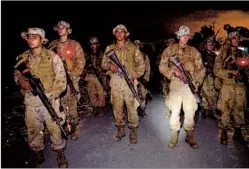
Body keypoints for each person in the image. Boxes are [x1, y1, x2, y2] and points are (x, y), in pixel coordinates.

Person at [14, 27, 68, 167]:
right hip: (31, 99)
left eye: (34, 37)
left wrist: (55, 94)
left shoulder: (52, 56)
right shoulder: (23, 57)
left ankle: (60, 152)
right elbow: (17, 74)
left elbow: (61, 78)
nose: (31, 40)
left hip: (49, 97)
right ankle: (37, 153)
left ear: (42, 40)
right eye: (29, 37)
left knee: (54, 127)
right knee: (32, 128)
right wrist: (22, 81)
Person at [159, 26, 206, 149]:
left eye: (187, 35)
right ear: (178, 36)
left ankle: (190, 135)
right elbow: (162, 66)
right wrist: (173, 72)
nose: (185, 37)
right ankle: (174, 134)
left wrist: (196, 82)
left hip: (190, 85)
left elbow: (201, 69)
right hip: (175, 85)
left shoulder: (194, 51)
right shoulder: (169, 50)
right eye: (182, 35)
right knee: (175, 111)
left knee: (190, 111)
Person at [102, 24, 145, 144]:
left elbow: (142, 65)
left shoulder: (133, 48)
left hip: (129, 82)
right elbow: (103, 63)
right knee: (117, 108)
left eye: (122, 32)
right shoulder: (109, 48)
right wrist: (110, 66)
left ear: (126, 34)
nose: (119, 34)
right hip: (115, 82)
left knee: (132, 108)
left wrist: (134, 75)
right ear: (114, 34)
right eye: (117, 32)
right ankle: (120, 129)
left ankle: (133, 131)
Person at [48, 20, 85, 140]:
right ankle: (64, 126)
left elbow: (80, 62)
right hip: (57, 81)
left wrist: (73, 75)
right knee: (59, 106)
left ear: (68, 31)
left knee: (72, 105)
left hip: (70, 79)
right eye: (58, 27)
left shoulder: (75, 45)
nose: (60, 29)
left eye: (63, 27)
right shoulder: (52, 45)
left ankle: (74, 127)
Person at [213, 31, 249, 146]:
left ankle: (237, 133)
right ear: (229, 39)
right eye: (234, 38)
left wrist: (244, 74)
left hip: (240, 86)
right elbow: (216, 70)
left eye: (238, 38)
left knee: (239, 109)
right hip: (227, 85)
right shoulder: (223, 53)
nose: (236, 40)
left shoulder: (244, 53)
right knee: (226, 109)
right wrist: (231, 72)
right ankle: (224, 132)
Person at [84, 37, 106, 117]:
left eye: (95, 44)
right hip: (90, 75)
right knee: (91, 92)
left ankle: (100, 109)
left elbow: (105, 64)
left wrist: (100, 69)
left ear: (98, 44)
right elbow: (83, 64)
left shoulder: (102, 53)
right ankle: (94, 108)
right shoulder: (87, 54)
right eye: (91, 44)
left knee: (101, 93)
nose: (93, 46)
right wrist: (87, 68)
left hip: (99, 76)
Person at [134, 40, 151, 118]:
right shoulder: (130, 55)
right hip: (133, 78)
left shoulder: (144, 56)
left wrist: (146, 78)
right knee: (133, 95)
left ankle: (142, 109)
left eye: (138, 45)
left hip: (142, 78)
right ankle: (135, 110)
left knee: (143, 95)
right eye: (135, 45)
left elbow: (148, 68)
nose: (137, 46)